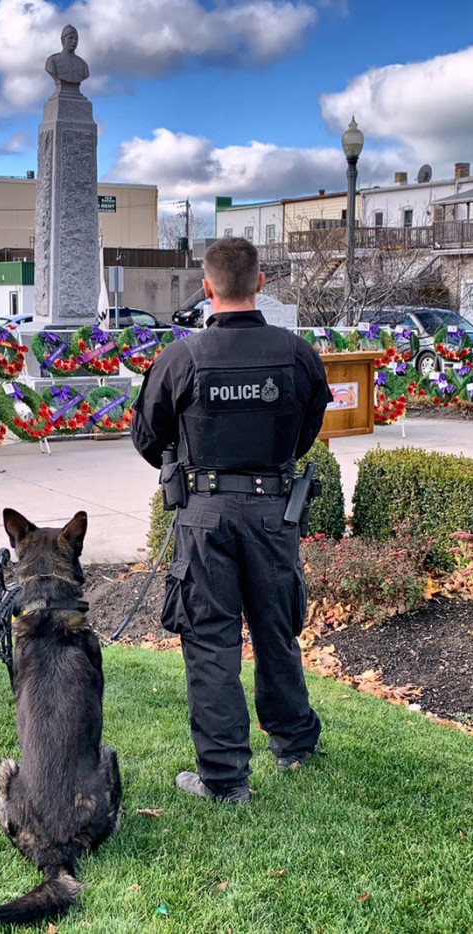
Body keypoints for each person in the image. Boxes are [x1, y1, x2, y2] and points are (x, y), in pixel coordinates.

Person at [131, 237, 332, 804]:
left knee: (211, 642)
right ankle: (294, 743)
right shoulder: (296, 354)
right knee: (277, 628)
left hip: (206, 516)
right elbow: (307, 428)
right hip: (273, 510)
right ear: (261, 282)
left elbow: (148, 437)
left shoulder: (181, 358)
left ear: (207, 287)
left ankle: (224, 779)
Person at [45, 24, 90, 89]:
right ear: (63, 41)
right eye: (71, 38)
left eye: (76, 39)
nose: (74, 41)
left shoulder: (83, 64)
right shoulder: (52, 61)